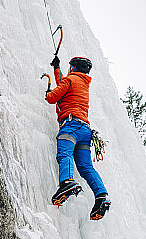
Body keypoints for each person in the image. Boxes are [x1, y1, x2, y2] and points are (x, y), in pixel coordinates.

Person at [45, 55, 111, 220]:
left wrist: (48, 93)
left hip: (71, 126)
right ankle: (101, 196)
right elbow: (64, 84)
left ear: (73, 68)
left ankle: (67, 182)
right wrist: (57, 68)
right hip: (85, 131)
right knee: (85, 167)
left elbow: (53, 97)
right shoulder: (82, 82)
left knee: (64, 154)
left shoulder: (69, 80)